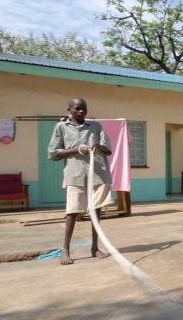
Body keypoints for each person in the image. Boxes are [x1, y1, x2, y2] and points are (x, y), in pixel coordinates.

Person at [48, 97, 113, 265]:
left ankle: (94, 247)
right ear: (69, 109)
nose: (81, 111)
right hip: (75, 175)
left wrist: (98, 147)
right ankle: (65, 250)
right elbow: (53, 153)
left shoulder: (96, 126)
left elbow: (108, 150)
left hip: (98, 174)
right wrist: (76, 150)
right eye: (77, 108)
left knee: (96, 211)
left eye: (84, 108)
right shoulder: (61, 127)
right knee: (72, 211)